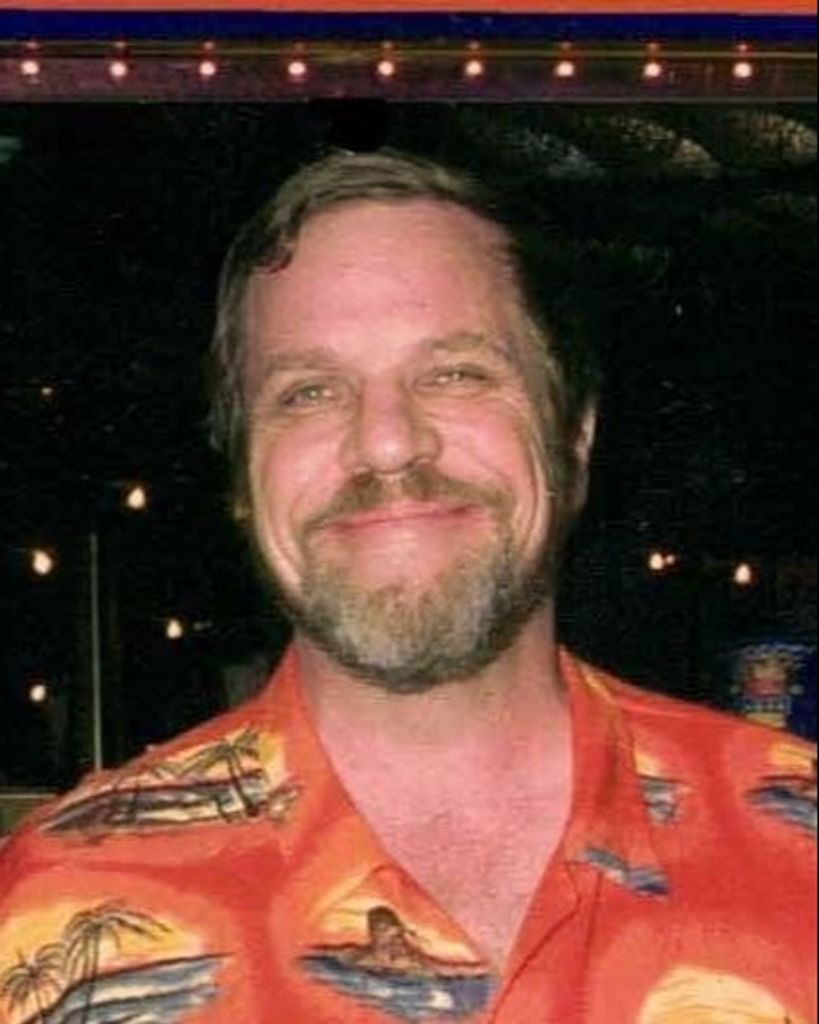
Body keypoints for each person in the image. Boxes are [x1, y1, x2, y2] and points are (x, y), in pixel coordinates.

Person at [0, 150, 815, 1024]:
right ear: (241, 473)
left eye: (456, 374)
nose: (387, 444)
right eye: (309, 392)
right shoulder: (53, 916)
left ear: (572, 434)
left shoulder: (798, 841)